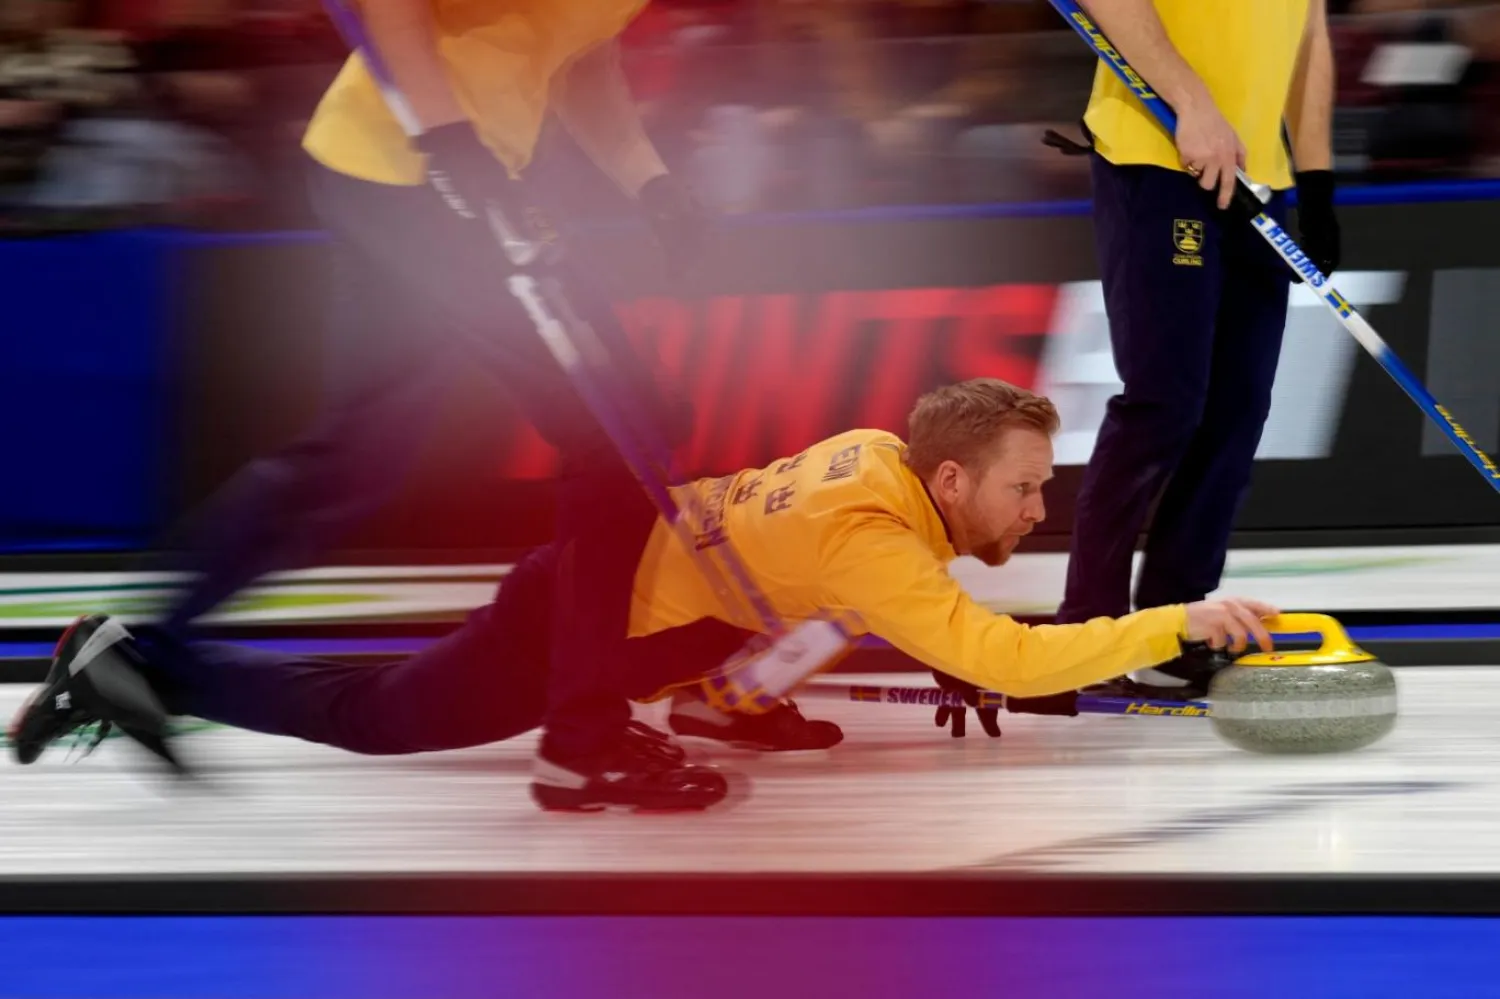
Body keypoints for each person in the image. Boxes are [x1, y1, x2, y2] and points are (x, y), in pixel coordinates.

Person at [140, 0, 840, 800]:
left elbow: (583, 51)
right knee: (619, 429)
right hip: (420, 177)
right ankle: (583, 738)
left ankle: (145, 651)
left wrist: (650, 183)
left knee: (359, 456)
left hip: (428, 179)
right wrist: (449, 142)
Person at [13, 379, 1280, 811]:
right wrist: (1177, 618)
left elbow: (817, 586)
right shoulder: (875, 545)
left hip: (627, 587)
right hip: (588, 621)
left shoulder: (876, 460)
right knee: (382, 715)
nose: (1035, 509)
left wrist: (733, 681)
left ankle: (729, 703)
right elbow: (1003, 659)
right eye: (1022, 489)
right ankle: (131, 663)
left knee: (837, 609)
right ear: (949, 474)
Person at [1051, 0, 1339, 693]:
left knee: (1237, 409)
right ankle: (1086, 628)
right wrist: (1196, 105)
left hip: (1257, 175)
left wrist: (1320, 183)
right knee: (1164, 402)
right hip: (1159, 147)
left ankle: (1176, 623)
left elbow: (1309, 37)